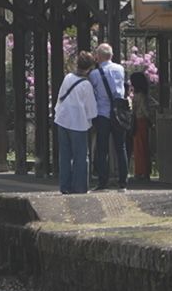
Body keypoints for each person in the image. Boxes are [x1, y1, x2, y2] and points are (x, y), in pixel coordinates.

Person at [54, 51, 97, 194]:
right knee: (80, 157)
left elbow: (60, 97)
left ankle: (65, 186)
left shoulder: (68, 78)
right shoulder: (86, 85)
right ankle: (80, 187)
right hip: (78, 123)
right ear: (90, 68)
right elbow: (91, 110)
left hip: (62, 119)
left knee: (65, 155)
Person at [88, 43, 129, 191]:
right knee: (121, 147)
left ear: (98, 57)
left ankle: (102, 182)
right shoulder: (120, 69)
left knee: (102, 149)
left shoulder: (94, 74)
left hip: (102, 114)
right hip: (118, 113)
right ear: (111, 55)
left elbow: (93, 92)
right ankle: (123, 182)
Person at [128, 68, 152, 181]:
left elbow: (140, 109)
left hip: (139, 120)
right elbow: (145, 110)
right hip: (143, 121)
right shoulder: (143, 94)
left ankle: (140, 171)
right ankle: (145, 171)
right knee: (144, 146)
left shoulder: (138, 95)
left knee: (139, 147)